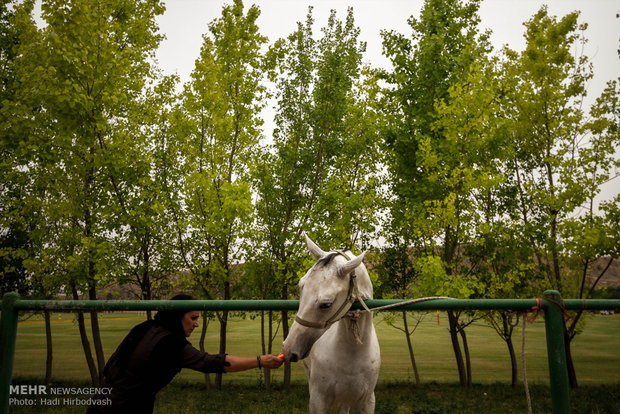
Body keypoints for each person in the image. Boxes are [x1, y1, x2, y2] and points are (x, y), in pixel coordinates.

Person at [86, 294, 284, 413]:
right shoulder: (171, 343)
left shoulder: (145, 327)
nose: (197, 323)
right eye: (193, 318)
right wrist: (260, 361)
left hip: (99, 404)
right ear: (177, 317)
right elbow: (212, 363)